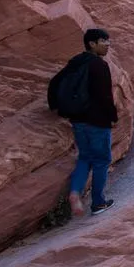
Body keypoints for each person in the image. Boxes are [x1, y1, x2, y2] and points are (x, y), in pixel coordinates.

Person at [47, 28, 119, 216]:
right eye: (103, 41)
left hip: (78, 120)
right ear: (92, 44)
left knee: (85, 158)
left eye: (108, 41)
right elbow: (105, 96)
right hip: (97, 121)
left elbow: (55, 83)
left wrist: (56, 106)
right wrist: (113, 117)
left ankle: (75, 192)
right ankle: (98, 203)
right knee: (102, 161)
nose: (108, 44)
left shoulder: (76, 62)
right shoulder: (99, 65)